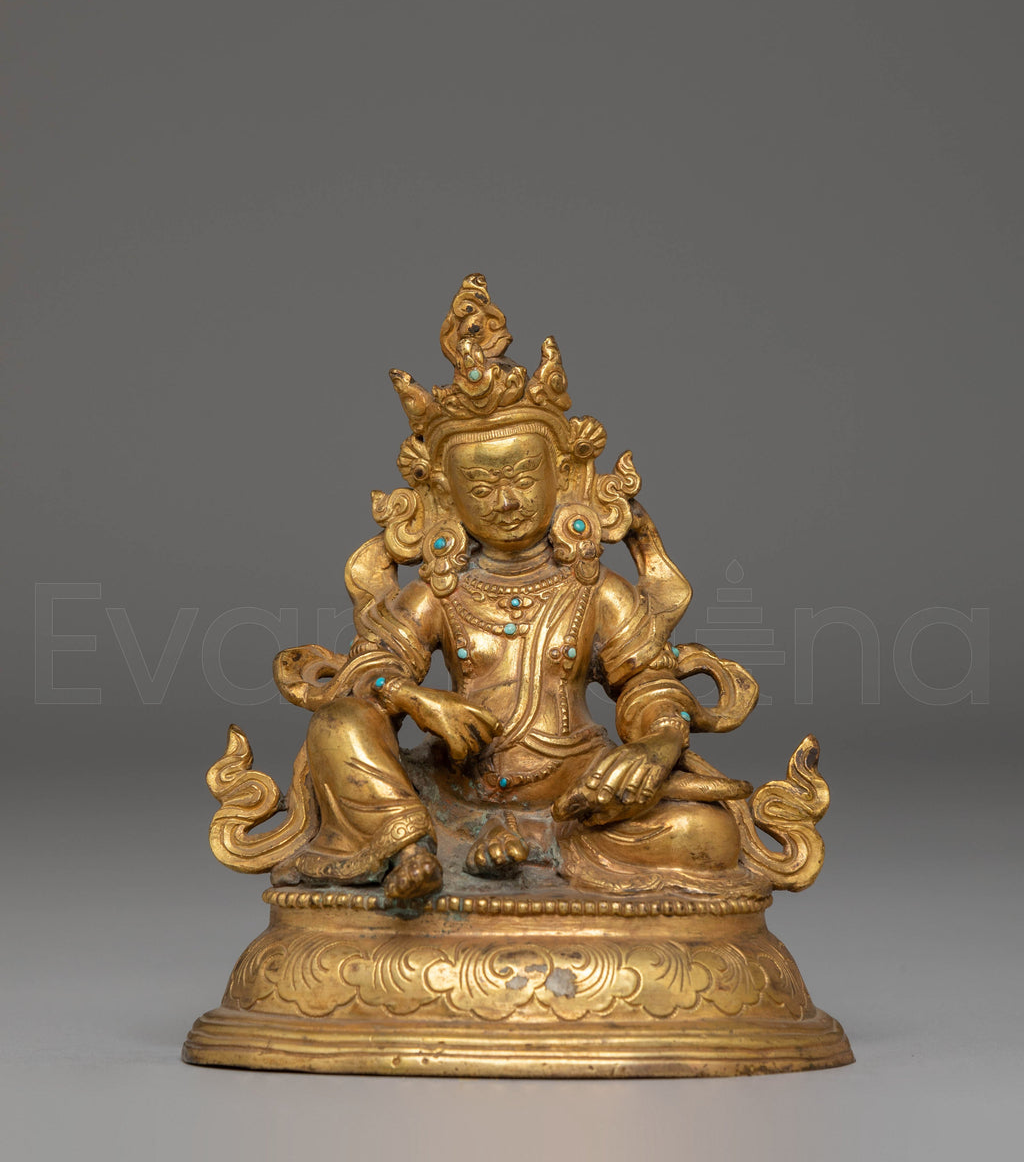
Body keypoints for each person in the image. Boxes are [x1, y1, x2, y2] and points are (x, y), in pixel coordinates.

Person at [269, 275, 758, 900]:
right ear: (446, 496)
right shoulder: (439, 592)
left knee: (707, 833)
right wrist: (418, 700)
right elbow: (370, 672)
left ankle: (527, 847)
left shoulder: (596, 589)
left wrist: (659, 745)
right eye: (479, 488)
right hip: (452, 791)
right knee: (338, 724)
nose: (504, 501)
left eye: (524, 478)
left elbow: (647, 684)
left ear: (564, 478)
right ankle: (413, 850)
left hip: (575, 797)